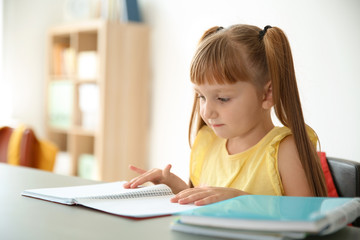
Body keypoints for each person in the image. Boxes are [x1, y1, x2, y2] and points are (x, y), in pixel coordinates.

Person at [124, 24, 328, 206]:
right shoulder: (207, 143)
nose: (206, 111)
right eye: (201, 96)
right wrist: (175, 188)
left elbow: (307, 218)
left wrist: (242, 201)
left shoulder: (285, 151)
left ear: (267, 94)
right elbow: (207, 204)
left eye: (222, 98)